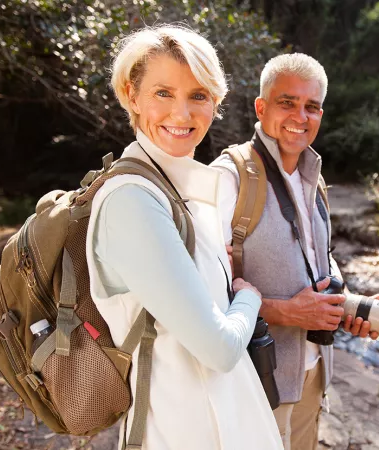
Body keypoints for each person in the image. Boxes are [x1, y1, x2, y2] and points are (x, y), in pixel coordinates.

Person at [85, 25, 283, 450]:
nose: (182, 114)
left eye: (198, 95)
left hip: (218, 423)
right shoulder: (132, 200)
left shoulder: (176, 190)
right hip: (182, 432)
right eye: (163, 93)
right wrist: (249, 297)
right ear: (131, 95)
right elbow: (220, 349)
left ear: (215, 102)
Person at [211, 53, 379, 450]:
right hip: (257, 381)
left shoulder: (314, 177)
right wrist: (286, 312)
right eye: (287, 102)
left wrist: (344, 305)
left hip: (313, 375)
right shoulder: (229, 179)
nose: (300, 116)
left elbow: (319, 260)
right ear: (261, 107)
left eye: (311, 107)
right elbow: (201, 293)